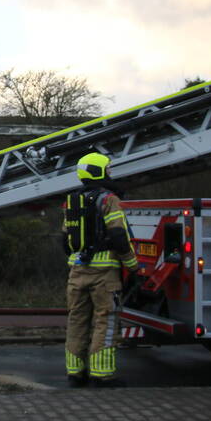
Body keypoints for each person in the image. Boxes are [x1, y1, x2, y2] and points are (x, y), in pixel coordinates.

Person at [62, 152, 138, 387]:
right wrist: (132, 265)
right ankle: (102, 374)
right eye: (108, 169)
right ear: (99, 171)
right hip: (104, 274)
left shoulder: (72, 201)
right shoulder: (108, 199)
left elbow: (65, 241)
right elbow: (118, 234)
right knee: (106, 320)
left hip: (76, 272)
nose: (110, 173)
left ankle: (75, 372)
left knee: (77, 320)